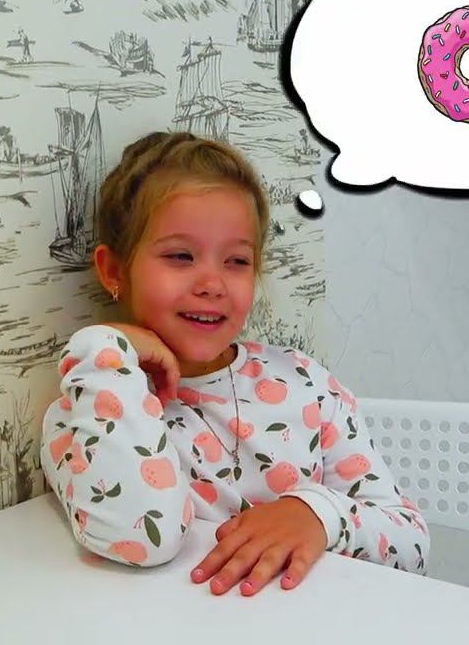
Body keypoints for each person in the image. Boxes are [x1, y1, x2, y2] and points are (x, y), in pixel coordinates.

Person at [39, 132, 429, 598]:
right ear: (114, 271)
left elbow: (412, 545)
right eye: (180, 256)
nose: (212, 283)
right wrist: (106, 346)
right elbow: (142, 540)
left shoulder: (305, 384)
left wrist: (316, 514)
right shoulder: (89, 412)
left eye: (237, 261)